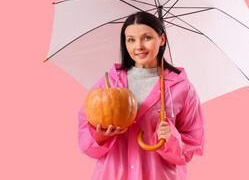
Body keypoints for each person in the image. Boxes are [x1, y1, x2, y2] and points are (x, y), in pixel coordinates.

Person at [78, 11, 205, 179]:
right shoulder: (109, 84)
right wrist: (102, 136)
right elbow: (85, 136)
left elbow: (191, 146)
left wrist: (171, 138)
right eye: (131, 39)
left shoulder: (182, 89)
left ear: (162, 39)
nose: (138, 46)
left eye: (147, 38)